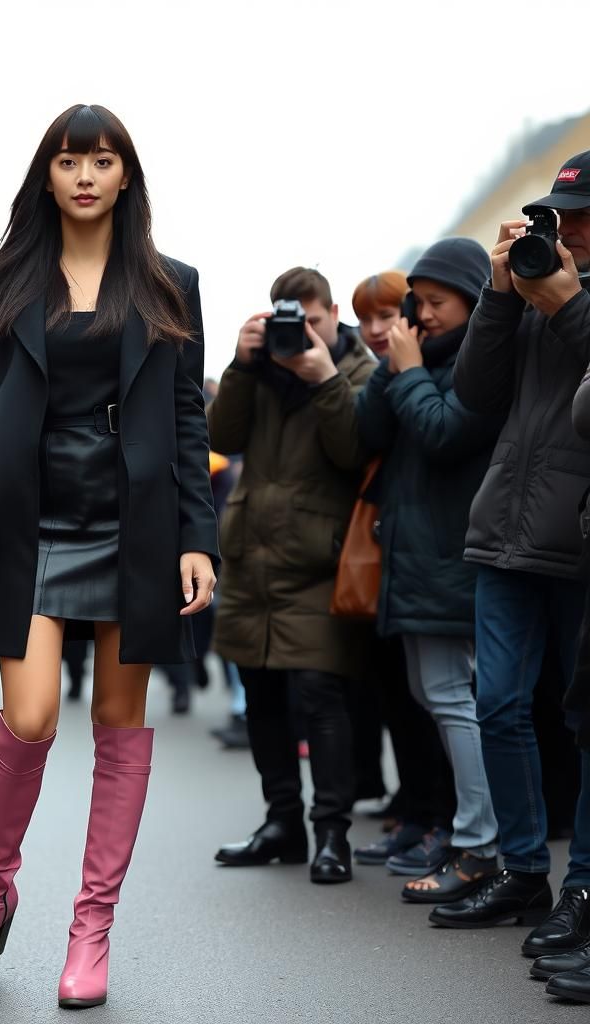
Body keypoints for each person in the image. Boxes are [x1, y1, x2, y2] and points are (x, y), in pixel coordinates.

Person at [0, 103, 218, 1009]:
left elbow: (189, 418)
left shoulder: (171, 284)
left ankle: (92, 929)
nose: (86, 175)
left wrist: (197, 537)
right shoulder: (1, 280)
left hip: (136, 525)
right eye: (69, 160)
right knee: (33, 715)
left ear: (127, 176)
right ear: (46, 175)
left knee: (119, 727)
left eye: (104, 159)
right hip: (31, 523)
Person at [433, 154, 590, 964]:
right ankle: (523, 870)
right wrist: (501, 296)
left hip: (580, 536)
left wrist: (569, 306)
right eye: (561, 215)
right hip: (506, 529)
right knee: (496, 703)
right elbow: (474, 394)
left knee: (584, 721)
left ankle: (582, 890)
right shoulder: (529, 289)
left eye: (584, 214)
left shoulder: (565, 297)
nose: (570, 230)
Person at [209, 267, 375, 883]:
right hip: (252, 556)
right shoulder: (261, 369)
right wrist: (240, 364)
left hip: (318, 562)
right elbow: (221, 436)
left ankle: (332, 833)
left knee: (320, 696)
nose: (300, 332)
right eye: (289, 319)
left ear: (333, 314)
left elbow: (353, 451)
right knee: (261, 696)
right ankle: (282, 823)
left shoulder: (358, 372)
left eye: (312, 320)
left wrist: (323, 378)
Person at [355, 239, 503, 903]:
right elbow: (367, 433)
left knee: (453, 699)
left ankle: (479, 844)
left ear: (473, 299)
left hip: (451, 559)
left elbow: (444, 434)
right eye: (418, 303)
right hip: (416, 561)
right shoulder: (421, 358)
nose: (424, 314)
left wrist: (409, 371)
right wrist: (393, 368)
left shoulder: (484, 359)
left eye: (437, 301)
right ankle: (474, 837)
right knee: (436, 695)